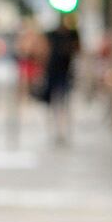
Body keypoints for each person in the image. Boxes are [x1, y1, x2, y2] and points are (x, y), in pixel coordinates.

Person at [43, 13, 81, 144]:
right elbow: (44, 51)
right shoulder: (51, 35)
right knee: (52, 104)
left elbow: (78, 49)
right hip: (52, 73)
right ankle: (55, 130)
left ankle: (63, 131)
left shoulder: (73, 34)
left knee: (64, 104)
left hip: (65, 74)